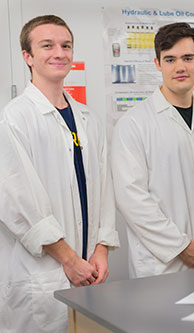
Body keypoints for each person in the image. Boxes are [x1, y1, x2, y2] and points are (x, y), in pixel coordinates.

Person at [0, 15, 119, 333]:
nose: (59, 53)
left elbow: (103, 190)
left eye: (66, 46)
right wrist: (68, 259)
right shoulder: (14, 118)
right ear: (27, 56)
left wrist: (101, 249)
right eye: (47, 45)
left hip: (90, 269)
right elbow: (18, 203)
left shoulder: (88, 118)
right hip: (42, 274)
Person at [112, 23, 194, 277]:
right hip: (162, 266)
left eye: (187, 58)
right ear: (157, 64)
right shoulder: (134, 124)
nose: (180, 67)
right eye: (170, 59)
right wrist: (181, 246)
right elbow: (131, 199)